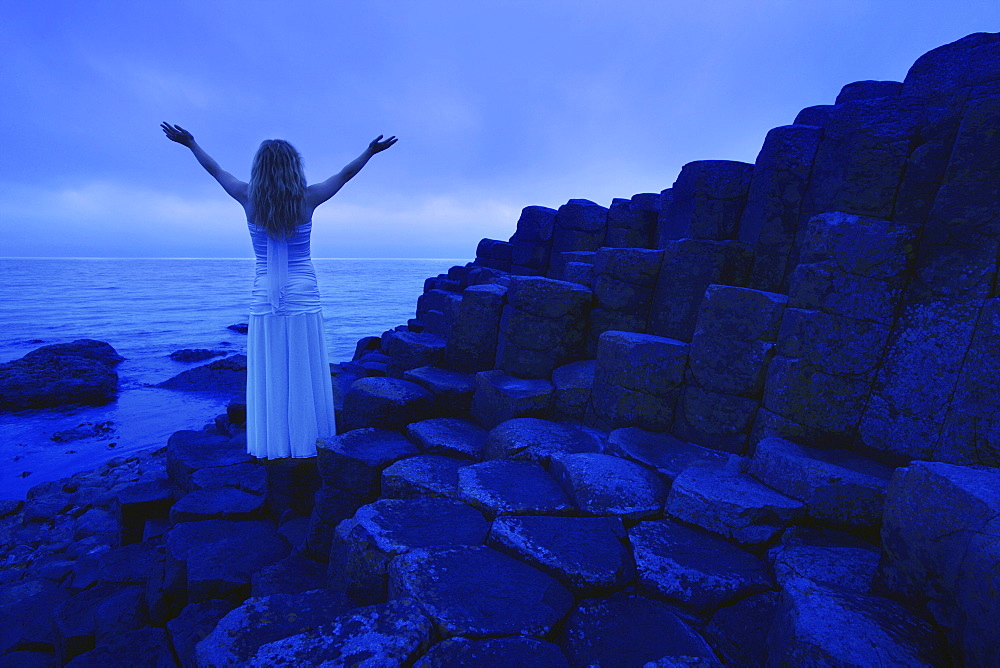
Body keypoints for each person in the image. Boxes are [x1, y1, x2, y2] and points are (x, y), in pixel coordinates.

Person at [161, 123, 397, 458]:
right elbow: (344, 175)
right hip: (303, 289)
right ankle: (308, 436)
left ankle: (273, 439)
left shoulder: (246, 196)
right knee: (303, 361)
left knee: (272, 364)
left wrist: (191, 143)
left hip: (264, 292)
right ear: (293, 167)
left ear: (259, 168)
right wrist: (370, 152)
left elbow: (216, 170)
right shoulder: (309, 198)